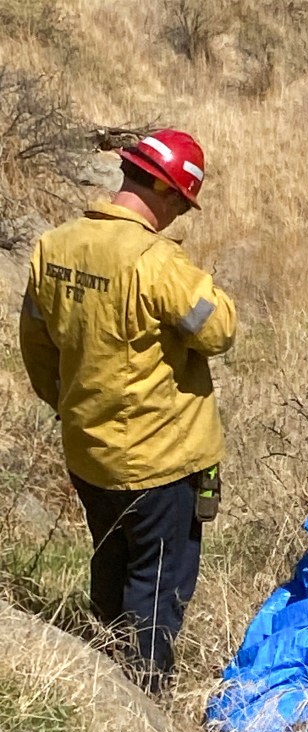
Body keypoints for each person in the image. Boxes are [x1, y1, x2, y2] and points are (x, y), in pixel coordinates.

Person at [19, 129, 237, 693]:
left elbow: (37, 350)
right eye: (181, 205)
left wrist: (73, 408)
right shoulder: (156, 261)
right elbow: (217, 330)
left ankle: (101, 680)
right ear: (167, 192)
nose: (177, 217)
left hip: (89, 456)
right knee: (157, 588)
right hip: (161, 465)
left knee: (111, 565)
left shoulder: (55, 247)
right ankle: (142, 707)